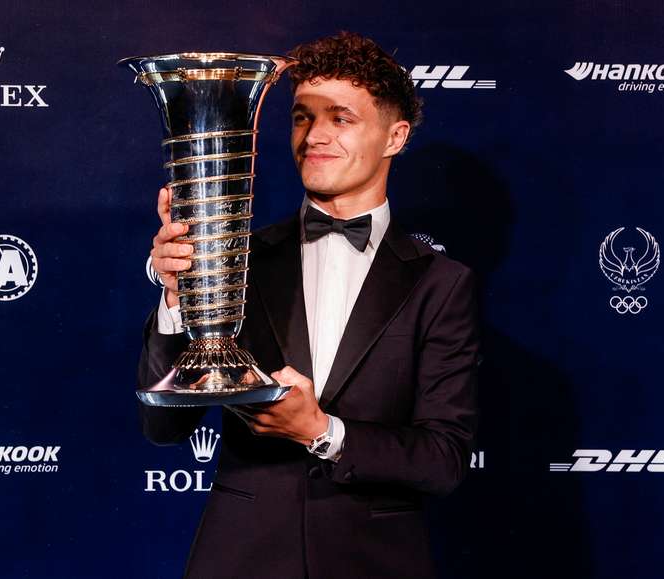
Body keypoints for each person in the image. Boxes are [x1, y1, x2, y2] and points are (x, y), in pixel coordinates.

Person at [138, 31, 479, 579]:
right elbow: (162, 429)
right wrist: (179, 298)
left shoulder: (442, 284)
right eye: (301, 117)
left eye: (341, 118)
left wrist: (321, 431)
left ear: (395, 136)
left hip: (374, 562)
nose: (315, 136)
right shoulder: (238, 258)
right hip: (240, 557)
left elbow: (443, 460)